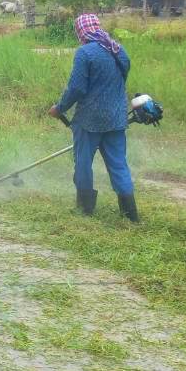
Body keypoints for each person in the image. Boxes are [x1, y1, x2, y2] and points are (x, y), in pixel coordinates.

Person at [48, 12, 138, 221]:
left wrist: (59, 108)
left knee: (83, 163)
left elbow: (77, 88)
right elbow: (121, 79)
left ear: (81, 32)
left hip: (89, 120)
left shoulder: (85, 53)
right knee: (118, 164)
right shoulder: (118, 50)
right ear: (97, 26)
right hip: (116, 118)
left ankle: (85, 209)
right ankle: (130, 215)